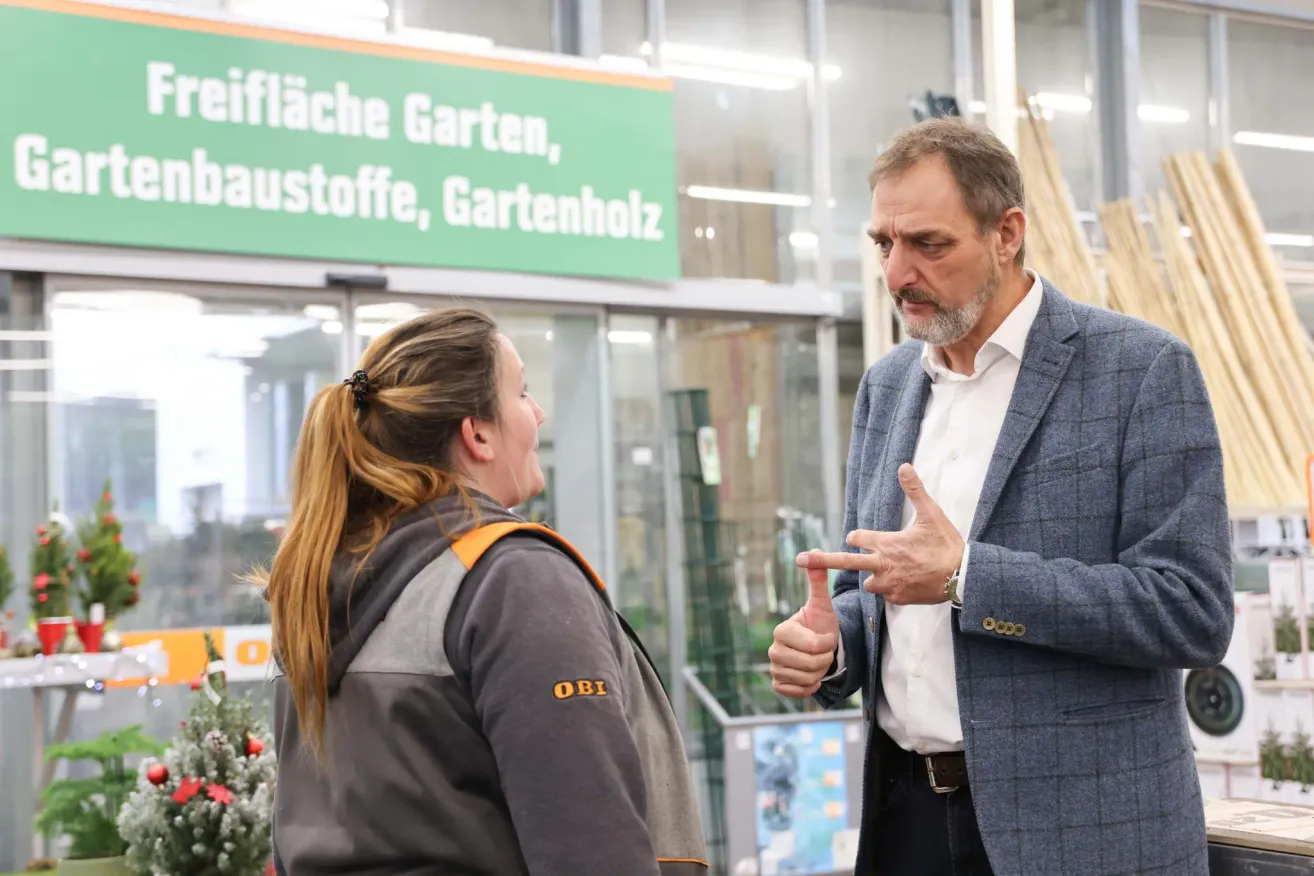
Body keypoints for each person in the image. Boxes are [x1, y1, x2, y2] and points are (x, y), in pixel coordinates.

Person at [767, 118, 1233, 876]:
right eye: (884, 243)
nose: (896, 274)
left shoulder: (1141, 372)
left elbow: (1192, 610)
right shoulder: (888, 388)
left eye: (928, 243)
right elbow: (880, 587)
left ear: (1007, 233)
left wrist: (967, 579)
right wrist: (833, 645)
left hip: (1084, 837)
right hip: (905, 820)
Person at [261, 308, 707, 876]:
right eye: (522, 392)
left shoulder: (313, 582)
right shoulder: (512, 580)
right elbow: (592, 849)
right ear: (477, 434)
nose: (539, 412)